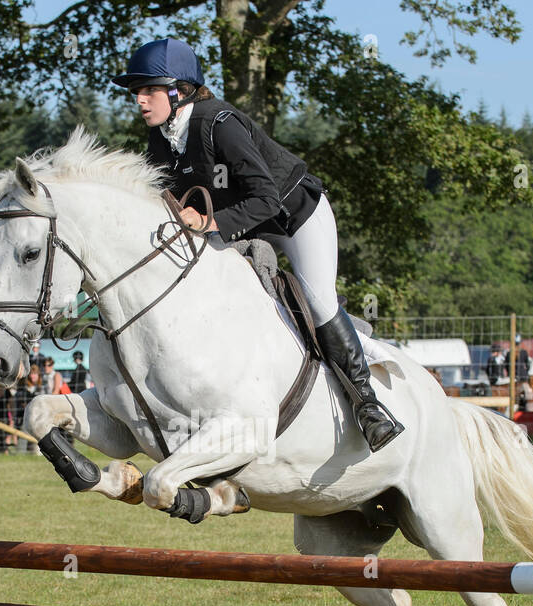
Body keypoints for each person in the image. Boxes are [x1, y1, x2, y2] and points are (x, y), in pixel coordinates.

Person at [112, 37, 401, 451]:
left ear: (179, 91)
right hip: (243, 222)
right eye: (135, 92)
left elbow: (266, 198)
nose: (139, 100)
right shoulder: (161, 137)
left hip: (296, 214)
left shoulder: (219, 123)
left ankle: (368, 406)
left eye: (148, 90)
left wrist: (209, 221)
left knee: (317, 300)